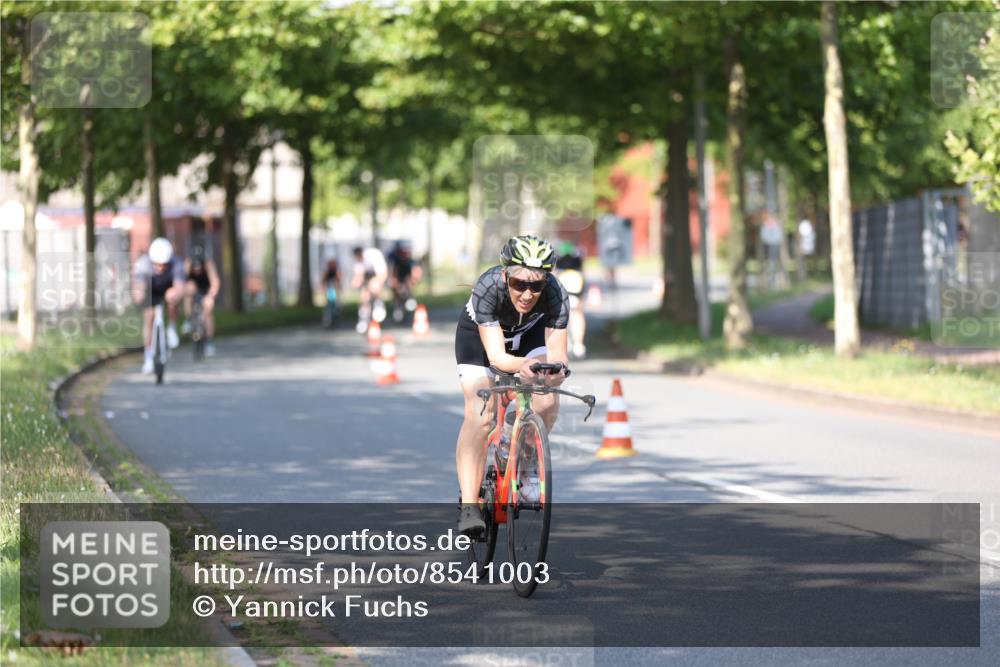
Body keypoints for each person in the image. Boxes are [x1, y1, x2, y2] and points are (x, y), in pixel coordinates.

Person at [454, 234, 570, 535]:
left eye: (536, 285)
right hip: (482, 341)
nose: (528, 293)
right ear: (505, 275)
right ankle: (469, 506)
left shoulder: (556, 295)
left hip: (528, 336)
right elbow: (497, 357)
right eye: (520, 284)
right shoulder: (487, 288)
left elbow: (558, 356)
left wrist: (553, 373)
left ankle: (525, 457)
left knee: (546, 397)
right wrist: (523, 366)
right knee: (481, 411)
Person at [132, 237, 185, 374]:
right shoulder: (143, 264)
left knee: (172, 299)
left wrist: (175, 294)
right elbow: (139, 286)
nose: (160, 268)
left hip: (168, 290)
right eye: (157, 264)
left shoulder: (176, 263)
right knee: (149, 317)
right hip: (151, 291)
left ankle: (172, 328)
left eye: (164, 264)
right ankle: (148, 357)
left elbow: (179, 286)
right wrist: (140, 295)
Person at [182, 245, 221, 356]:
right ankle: (188, 320)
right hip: (193, 288)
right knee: (188, 292)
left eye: (199, 267)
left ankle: (209, 341)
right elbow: (181, 280)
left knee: (208, 309)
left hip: (206, 290)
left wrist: (210, 296)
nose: (197, 270)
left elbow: (215, 283)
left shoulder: (209, 265)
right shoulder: (188, 264)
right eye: (195, 267)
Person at [555, 240, 587, 359]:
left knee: (562, 319)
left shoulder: (558, 270)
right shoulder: (578, 271)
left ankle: (567, 345)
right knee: (577, 316)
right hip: (576, 291)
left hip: (562, 293)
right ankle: (578, 345)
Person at [351, 245, 388, 333]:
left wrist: (376, 283)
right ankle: (363, 318)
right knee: (364, 295)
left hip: (378, 273)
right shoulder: (358, 262)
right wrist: (355, 283)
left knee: (374, 285)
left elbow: (383, 274)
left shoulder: (374, 256)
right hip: (367, 274)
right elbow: (358, 277)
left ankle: (378, 304)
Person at [386, 240, 422, 323]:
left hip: (407, 276)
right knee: (394, 286)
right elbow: (391, 270)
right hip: (397, 275)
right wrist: (393, 280)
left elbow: (416, 271)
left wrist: (413, 280)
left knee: (409, 285)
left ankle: (409, 298)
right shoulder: (393, 258)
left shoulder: (411, 259)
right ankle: (398, 304)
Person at [320, 258, 341, 329]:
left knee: (335, 306)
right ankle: (327, 321)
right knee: (328, 307)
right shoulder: (327, 272)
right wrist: (324, 290)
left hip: (334, 290)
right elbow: (323, 282)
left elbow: (338, 283)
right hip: (329, 290)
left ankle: (334, 319)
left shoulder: (336, 272)